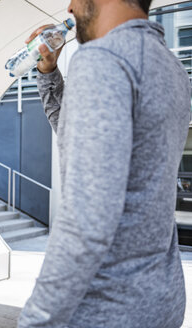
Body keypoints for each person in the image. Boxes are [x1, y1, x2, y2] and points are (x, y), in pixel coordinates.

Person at [18, 0, 191, 327]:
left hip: (104, 309)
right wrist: (48, 72)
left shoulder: (102, 59)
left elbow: (87, 220)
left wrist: (35, 320)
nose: (70, 7)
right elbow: (73, 134)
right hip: (160, 302)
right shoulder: (171, 68)